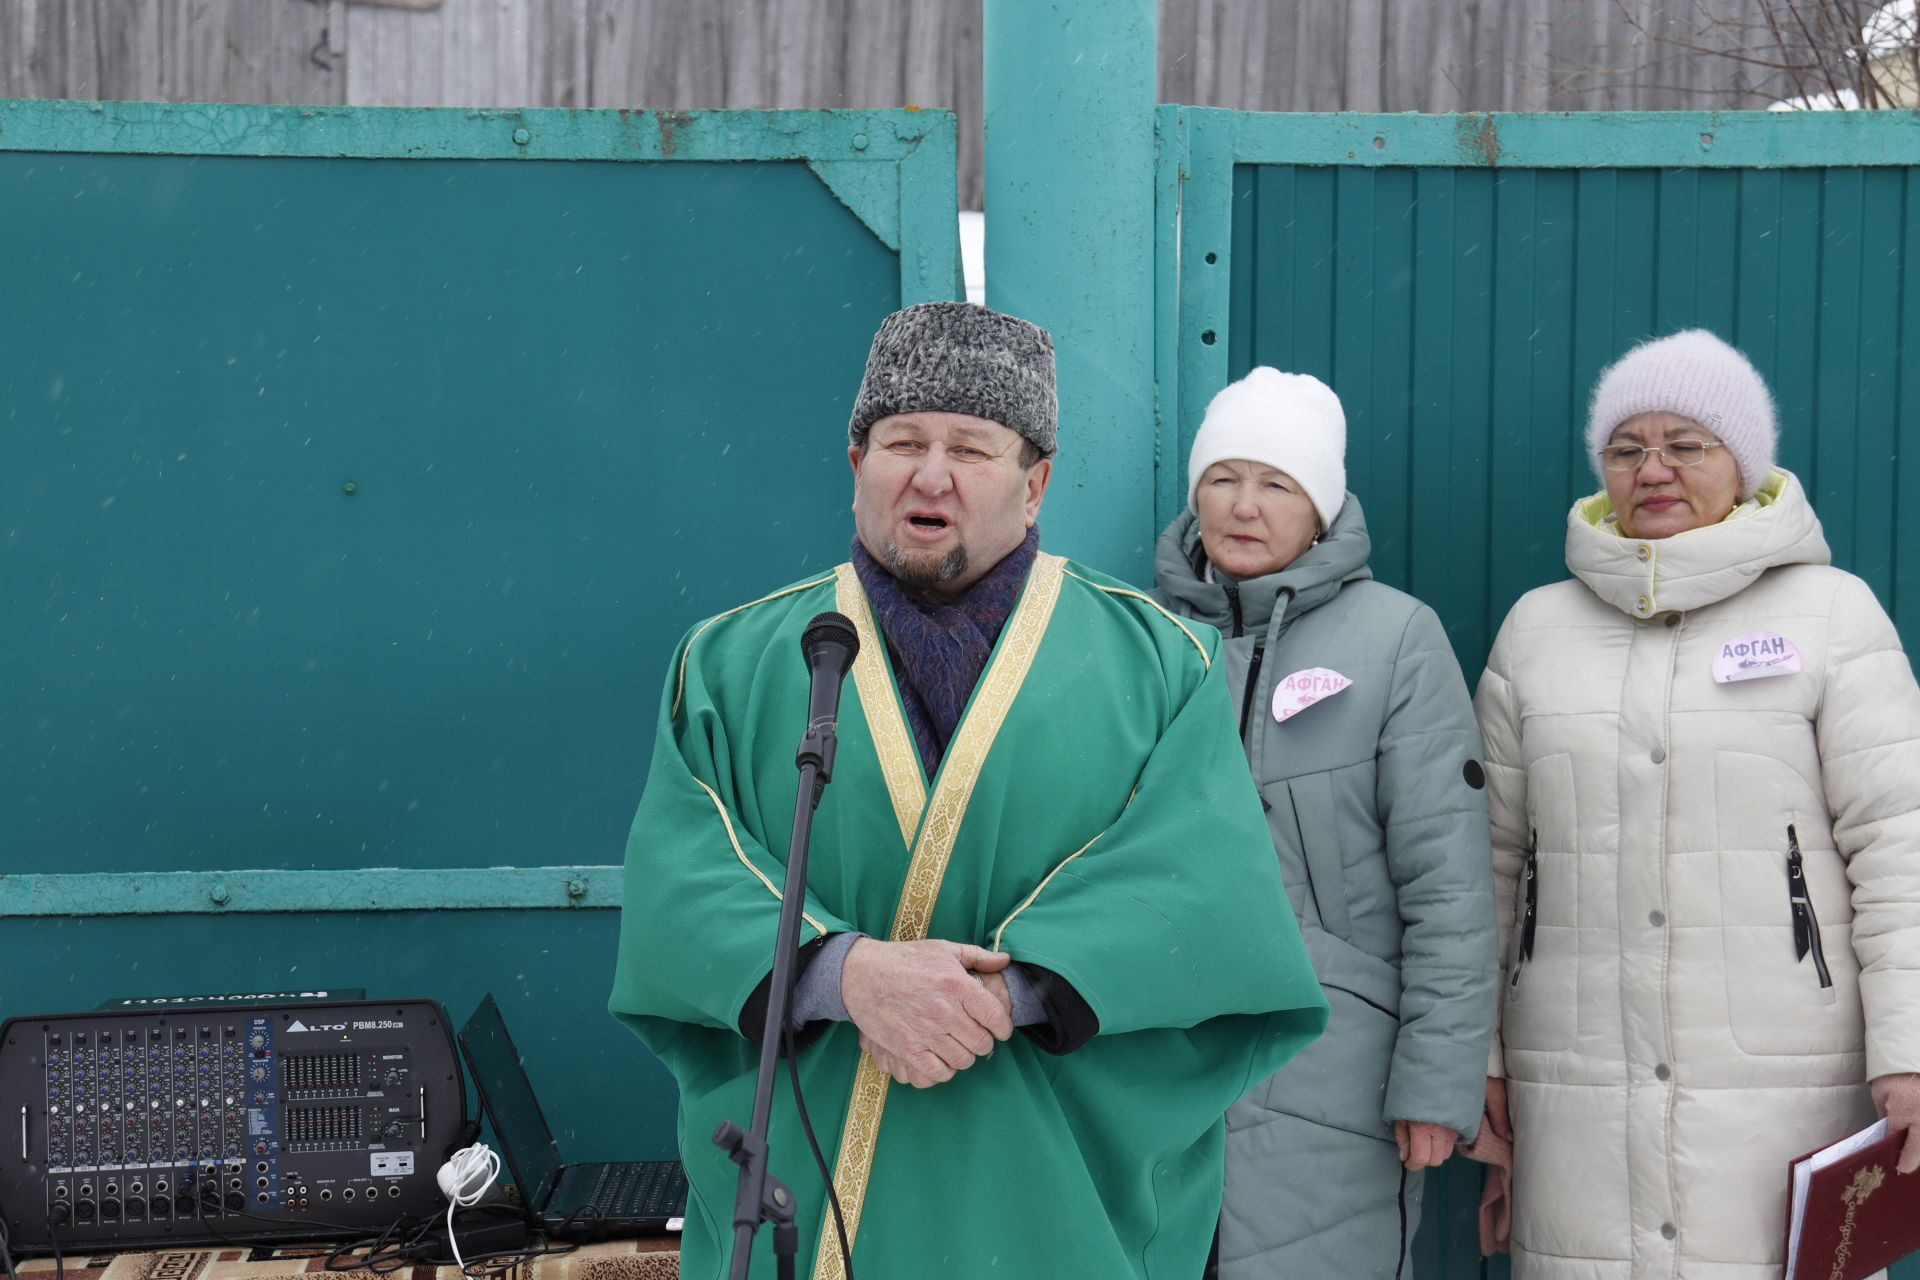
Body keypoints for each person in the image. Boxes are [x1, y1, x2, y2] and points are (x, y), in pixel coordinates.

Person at [608, 302, 1329, 1280]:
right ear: (856, 460)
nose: (931, 473)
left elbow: (1204, 892)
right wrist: (845, 975)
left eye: (973, 447)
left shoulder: (1163, 666)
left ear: (1035, 484)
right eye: (902, 440)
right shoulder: (731, 664)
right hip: (805, 1210)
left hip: (1050, 1198)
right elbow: (681, 883)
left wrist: (1008, 995)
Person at [1474, 329, 1920, 1278]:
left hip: (1785, 1088)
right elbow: (1490, 867)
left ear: (1744, 461)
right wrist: (1479, 1057)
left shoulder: (1832, 616)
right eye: (1627, 448)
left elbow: (1902, 844)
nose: (1655, 469)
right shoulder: (1534, 633)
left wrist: (1912, 1049)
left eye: (1688, 443)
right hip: (1576, 1089)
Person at [1154, 368, 1498, 1279]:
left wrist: (1438, 1083)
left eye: (1278, 484)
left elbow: (1450, 886)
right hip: (1153, 1070)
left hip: (1337, 1073)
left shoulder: (1396, 641)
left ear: (1324, 508)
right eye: (1224, 478)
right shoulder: (1138, 638)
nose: (1244, 506)